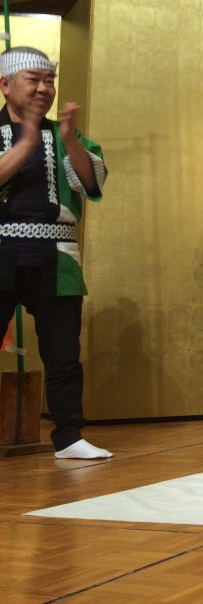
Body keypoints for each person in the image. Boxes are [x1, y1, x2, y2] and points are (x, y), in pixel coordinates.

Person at [0, 47, 110, 460]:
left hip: (57, 251)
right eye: (34, 79)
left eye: (50, 80)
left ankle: (68, 436)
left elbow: (90, 182)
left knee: (63, 351)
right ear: (5, 85)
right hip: (2, 246)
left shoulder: (65, 135)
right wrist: (26, 142)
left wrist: (66, 138)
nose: (44, 88)